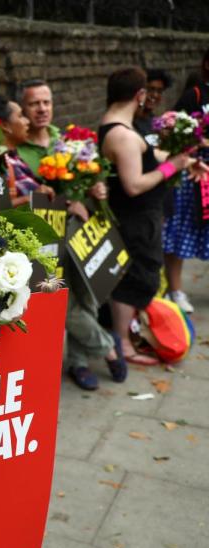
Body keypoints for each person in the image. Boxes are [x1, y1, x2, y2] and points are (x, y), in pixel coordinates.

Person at [0, 96, 124, 389]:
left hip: (61, 235)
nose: (30, 118)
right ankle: (108, 347)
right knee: (61, 302)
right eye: (23, 113)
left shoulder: (38, 149)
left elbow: (51, 193)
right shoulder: (2, 161)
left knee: (85, 295)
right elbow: (1, 206)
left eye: (47, 102)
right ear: (5, 125)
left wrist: (85, 193)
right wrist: (42, 197)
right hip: (34, 245)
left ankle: (79, 363)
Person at [99, 67, 206, 366]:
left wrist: (186, 162)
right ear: (139, 94)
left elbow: (149, 157)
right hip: (135, 218)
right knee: (136, 278)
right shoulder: (122, 134)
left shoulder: (122, 127)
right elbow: (134, 185)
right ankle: (123, 344)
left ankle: (125, 334)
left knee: (142, 274)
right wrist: (171, 167)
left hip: (141, 217)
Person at [163, 50, 209, 315]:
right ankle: (175, 289)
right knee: (180, 229)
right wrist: (195, 145)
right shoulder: (195, 94)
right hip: (195, 171)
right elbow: (171, 128)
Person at [0, 95, 54, 207]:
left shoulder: (14, 158)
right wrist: (30, 199)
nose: (27, 121)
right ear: (5, 126)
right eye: (20, 116)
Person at [16, 79, 59, 173]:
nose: (42, 109)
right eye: (34, 104)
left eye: (46, 102)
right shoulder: (14, 152)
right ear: (21, 108)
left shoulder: (66, 141)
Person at [134, 68, 173, 141]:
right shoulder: (131, 121)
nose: (155, 95)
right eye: (150, 89)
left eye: (159, 91)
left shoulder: (155, 122)